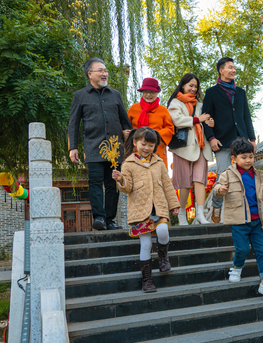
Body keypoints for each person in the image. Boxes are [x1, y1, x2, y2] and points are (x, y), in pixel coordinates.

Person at [214, 138, 263, 300]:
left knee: (262, 250)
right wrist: (221, 190)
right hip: (238, 222)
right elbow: (216, 188)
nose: (248, 160)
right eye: (244, 157)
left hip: (256, 222)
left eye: (251, 157)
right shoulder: (227, 174)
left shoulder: (258, 175)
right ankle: (237, 267)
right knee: (243, 249)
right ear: (234, 159)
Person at [112, 127, 180, 293]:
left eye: (151, 145)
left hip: (159, 208)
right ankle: (147, 280)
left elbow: (167, 185)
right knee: (146, 244)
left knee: (163, 231)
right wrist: (120, 180)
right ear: (135, 142)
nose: (147, 148)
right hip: (140, 210)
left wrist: (174, 204)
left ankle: (163, 257)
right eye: (144, 144)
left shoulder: (159, 163)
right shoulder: (128, 164)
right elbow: (127, 188)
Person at [68, 57, 132, 231]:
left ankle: (110, 220)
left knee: (113, 184)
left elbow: (125, 121)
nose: (105, 74)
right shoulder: (80, 96)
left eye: (105, 71)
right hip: (93, 147)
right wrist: (73, 147)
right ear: (90, 74)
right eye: (100, 71)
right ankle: (99, 218)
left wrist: (129, 139)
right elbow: (73, 123)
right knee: (95, 182)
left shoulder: (115, 95)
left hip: (114, 148)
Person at [202, 57, 257, 223]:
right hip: (222, 141)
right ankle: (217, 207)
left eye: (234, 68)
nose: (233, 70)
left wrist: (252, 138)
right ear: (221, 70)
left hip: (241, 140)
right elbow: (206, 117)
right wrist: (211, 138)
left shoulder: (240, 92)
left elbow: (246, 116)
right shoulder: (211, 92)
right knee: (222, 175)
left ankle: (243, 210)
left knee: (243, 176)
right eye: (230, 67)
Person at [167, 73, 215, 225]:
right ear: (183, 85)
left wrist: (210, 123)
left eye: (195, 86)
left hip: (201, 147)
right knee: (185, 183)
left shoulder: (200, 105)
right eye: (190, 85)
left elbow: (206, 121)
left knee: (200, 180)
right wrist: (197, 119)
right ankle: (182, 214)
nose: (193, 89)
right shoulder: (175, 102)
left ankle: (200, 213)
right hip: (183, 148)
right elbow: (177, 120)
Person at [127, 77, 174, 169]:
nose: (148, 94)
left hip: (157, 149)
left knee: (157, 175)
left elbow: (170, 129)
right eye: (146, 92)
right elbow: (126, 127)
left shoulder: (163, 110)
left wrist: (155, 135)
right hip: (136, 150)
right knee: (136, 174)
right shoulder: (133, 108)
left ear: (157, 93)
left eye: (152, 92)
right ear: (142, 92)